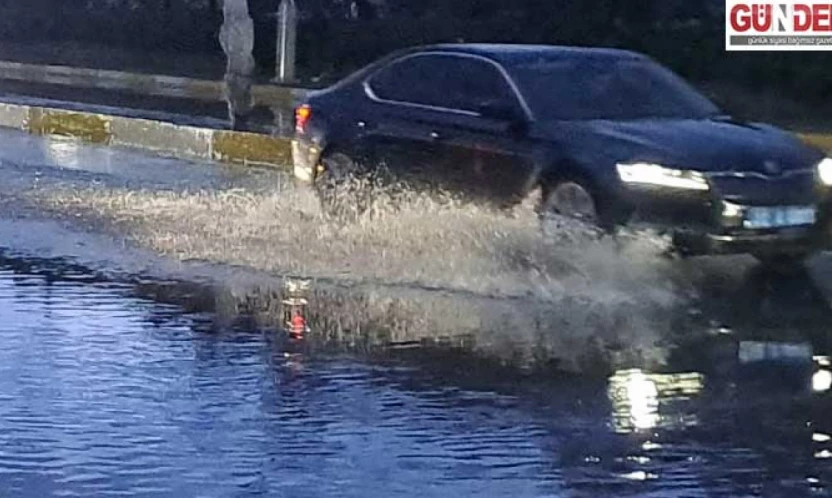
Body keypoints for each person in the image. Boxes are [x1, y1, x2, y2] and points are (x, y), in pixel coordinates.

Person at [219, 0, 256, 131]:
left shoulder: (241, 24)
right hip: (237, 65)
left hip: (238, 66)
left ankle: (239, 117)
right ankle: (238, 117)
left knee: (238, 84)